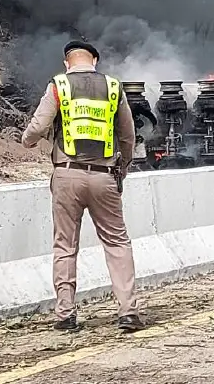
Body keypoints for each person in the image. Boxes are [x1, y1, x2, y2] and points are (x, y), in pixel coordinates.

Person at [21, 39, 145, 333]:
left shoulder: (59, 85)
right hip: (104, 176)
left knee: (65, 246)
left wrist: (27, 141)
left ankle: (65, 315)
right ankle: (128, 312)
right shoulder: (113, 87)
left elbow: (38, 126)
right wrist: (123, 167)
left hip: (67, 175)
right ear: (95, 61)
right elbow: (128, 136)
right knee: (117, 242)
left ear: (67, 63)